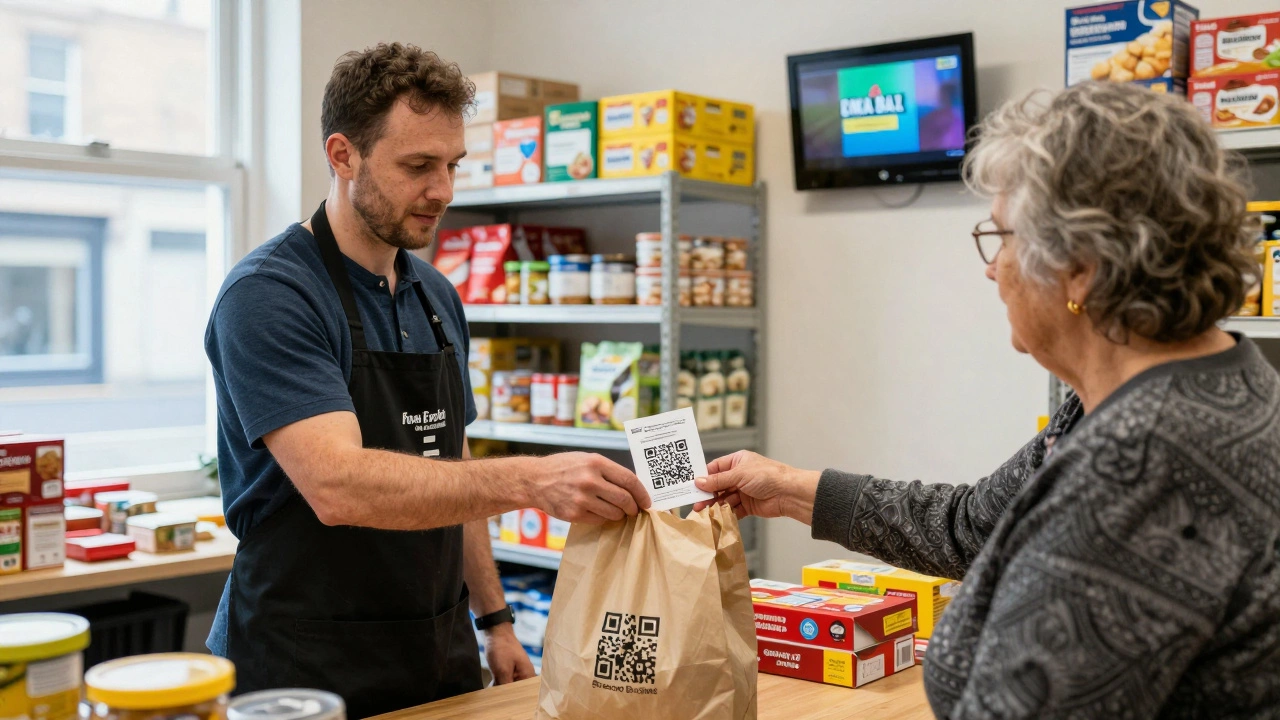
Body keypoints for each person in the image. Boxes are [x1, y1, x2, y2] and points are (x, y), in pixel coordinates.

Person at [697, 82, 1280, 718]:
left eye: (1002, 238)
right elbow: (980, 526)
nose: (991, 268)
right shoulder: (1195, 383)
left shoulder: (1140, 464)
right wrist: (787, 488)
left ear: (1079, 265)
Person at [204, 43, 650, 718]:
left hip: (435, 656)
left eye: (452, 165)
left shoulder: (436, 295)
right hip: (302, 667)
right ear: (343, 155)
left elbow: (453, 462)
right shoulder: (271, 295)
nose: (442, 190)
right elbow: (337, 485)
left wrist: (495, 620)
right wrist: (532, 480)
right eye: (417, 166)